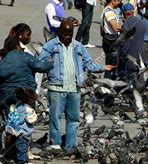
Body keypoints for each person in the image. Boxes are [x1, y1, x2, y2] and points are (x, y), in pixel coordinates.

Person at [39, 21, 111, 151]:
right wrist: (49, 63)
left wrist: (102, 67)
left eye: (70, 34)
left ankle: (70, 145)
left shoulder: (78, 46)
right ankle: (55, 144)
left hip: (74, 88)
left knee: (74, 118)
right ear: (59, 32)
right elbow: (41, 63)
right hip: (57, 87)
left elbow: (88, 64)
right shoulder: (50, 46)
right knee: (55, 117)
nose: (67, 36)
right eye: (64, 34)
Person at [0, 34, 52, 117]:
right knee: (26, 123)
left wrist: (0, 103)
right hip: (25, 93)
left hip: (6, 96)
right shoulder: (25, 56)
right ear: (17, 46)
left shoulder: (0, 63)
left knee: (8, 121)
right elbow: (40, 67)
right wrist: (50, 61)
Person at [118, 3, 147, 116]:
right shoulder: (141, 22)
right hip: (142, 57)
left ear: (125, 15)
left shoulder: (126, 26)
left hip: (131, 58)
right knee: (141, 81)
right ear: (133, 12)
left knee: (132, 82)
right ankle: (141, 101)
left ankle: (134, 105)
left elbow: (125, 44)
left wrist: (122, 57)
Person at [4, 87, 38, 164]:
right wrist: (34, 114)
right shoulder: (27, 109)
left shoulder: (17, 105)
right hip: (23, 132)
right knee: (23, 147)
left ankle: (13, 159)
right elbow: (30, 120)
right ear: (29, 99)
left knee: (16, 146)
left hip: (15, 130)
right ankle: (23, 162)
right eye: (34, 99)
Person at [101, 0, 121, 79]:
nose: (119, 3)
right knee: (112, 66)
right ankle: (107, 84)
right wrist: (125, 28)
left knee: (109, 64)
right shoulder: (109, 12)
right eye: (117, 1)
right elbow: (115, 28)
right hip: (112, 41)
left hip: (106, 39)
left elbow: (101, 29)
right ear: (112, 1)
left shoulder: (105, 10)